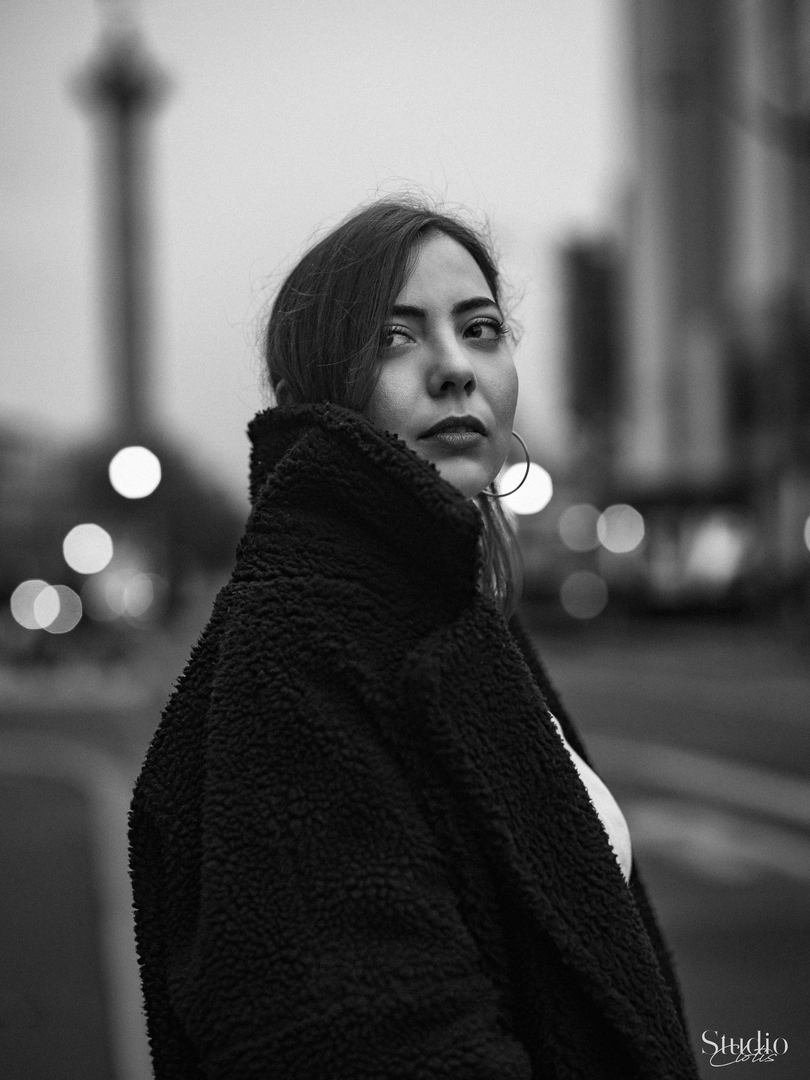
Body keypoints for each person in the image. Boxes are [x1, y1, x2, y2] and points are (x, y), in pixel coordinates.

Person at [129, 197, 699, 1079]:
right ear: (321, 390)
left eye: (481, 329)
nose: (454, 369)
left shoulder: (448, 606)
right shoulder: (300, 650)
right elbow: (365, 1036)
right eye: (394, 337)